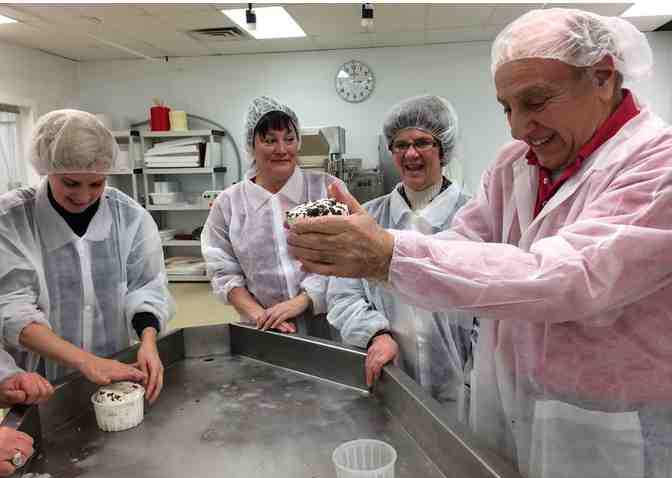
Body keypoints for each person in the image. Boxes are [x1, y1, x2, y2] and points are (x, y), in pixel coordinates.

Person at [287, 8, 672, 478]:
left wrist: (387, 256)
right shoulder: (518, 165)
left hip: (605, 422)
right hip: (508, 398)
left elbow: (568, 277)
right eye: (506, 108)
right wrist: (373, 256)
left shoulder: (657, 167)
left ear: (602, 76)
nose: (518, 129)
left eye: (535, 101)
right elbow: (465, 243)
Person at [0, 109, 174, 404]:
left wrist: (147, 341)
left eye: (96, 184)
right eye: (70, 183)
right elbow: (12, 310)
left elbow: (146, 286)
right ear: (47, 169)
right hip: (40, 382)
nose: (83, 196)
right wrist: (85, 361)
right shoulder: (11, 219)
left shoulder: (129, 217)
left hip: (115, 370)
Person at [327, 95, 476, 418]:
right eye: (400, 144)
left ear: (443, 148)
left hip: (463, 388)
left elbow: (495, 309)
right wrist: (376, 334)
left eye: (423, 142)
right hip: (387, 373)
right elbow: (342, 293)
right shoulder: (369, 217)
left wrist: (475, 373)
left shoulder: (474, 218)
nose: (411, 153)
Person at [202, 96, 346, 338]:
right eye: (270, 141)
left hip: (329, 322)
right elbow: (222, 270)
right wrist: (261, 316)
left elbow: (347, 256)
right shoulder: (229, 204)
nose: (282, 149)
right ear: (251, 145)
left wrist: (302, 301)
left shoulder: (328, 189)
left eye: (289, 139)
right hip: (263, 329)